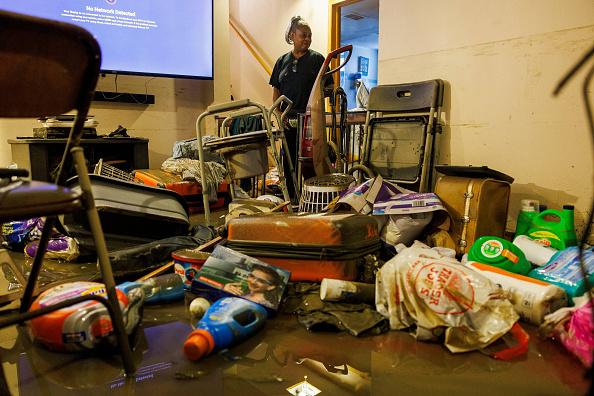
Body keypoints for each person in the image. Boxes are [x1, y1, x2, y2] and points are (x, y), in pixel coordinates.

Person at [269, 16, 332, 201]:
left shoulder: (317, 59)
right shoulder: (282, 61)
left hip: (310, 121)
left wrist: (316, 104)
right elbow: (276, 91)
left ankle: (313, 199)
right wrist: (279, 114)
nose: (307, 39)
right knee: (288, 162)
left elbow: (328, 88)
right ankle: (292, 199)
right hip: (288, 121)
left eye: (309, 36)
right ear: (292, 35)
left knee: (311, 162)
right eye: (303, 35)